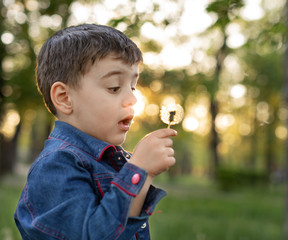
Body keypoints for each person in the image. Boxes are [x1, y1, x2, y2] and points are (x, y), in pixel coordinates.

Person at [14, 23, 177, 240]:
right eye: (114, 87)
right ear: (64, 98)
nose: (132, 99)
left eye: (133, 86)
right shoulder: (56, 165)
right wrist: (139, 171)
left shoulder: (112, 160)